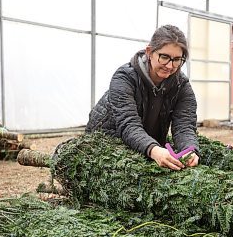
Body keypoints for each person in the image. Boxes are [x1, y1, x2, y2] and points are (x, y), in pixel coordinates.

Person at [85, 24, 200, 171]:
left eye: (177, 59)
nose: (170, 66)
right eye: (164, 57)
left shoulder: (181, 86)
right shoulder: (124, 78)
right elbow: (128, 124)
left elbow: (185, 125)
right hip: (106, 143)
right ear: (149, 52)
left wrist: (189, 150)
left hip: (143, 144)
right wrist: (154, 149)